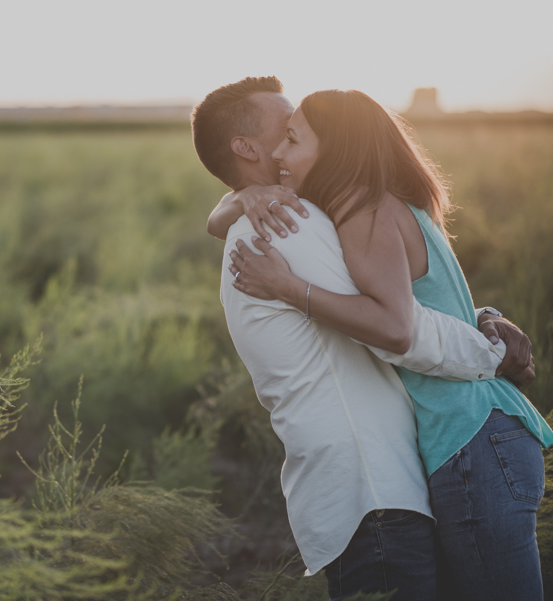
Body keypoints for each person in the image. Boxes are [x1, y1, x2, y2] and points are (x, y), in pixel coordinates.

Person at [192, 76, 538, 601]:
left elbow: (401, 312)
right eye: (283, 132)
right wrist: (490, 348)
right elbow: (403, 328)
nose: (287, 145)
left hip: (383, 484)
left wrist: (482, 318)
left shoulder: (283, 214)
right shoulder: (288, 224)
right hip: (373, 489)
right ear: (246, 148)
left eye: (297, 135)